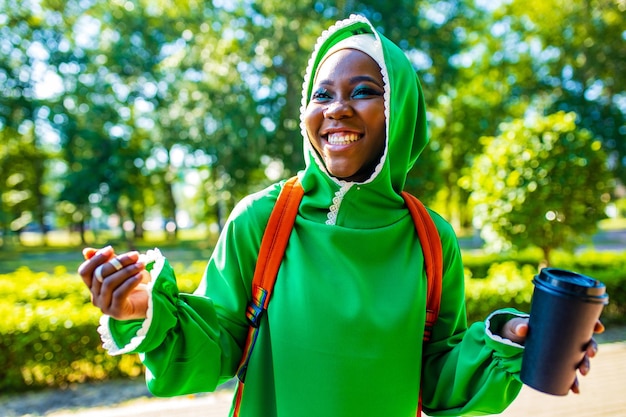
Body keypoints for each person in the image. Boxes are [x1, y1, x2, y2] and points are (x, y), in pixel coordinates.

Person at [78, 14, 603, 417]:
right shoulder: (261, 219)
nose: (336, 109)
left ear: (398, 114)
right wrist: (145, 310)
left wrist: (509, 339)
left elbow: (439, 374)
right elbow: (219, 343)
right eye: (321, 94)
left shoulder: (431, 238)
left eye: (364, 92)